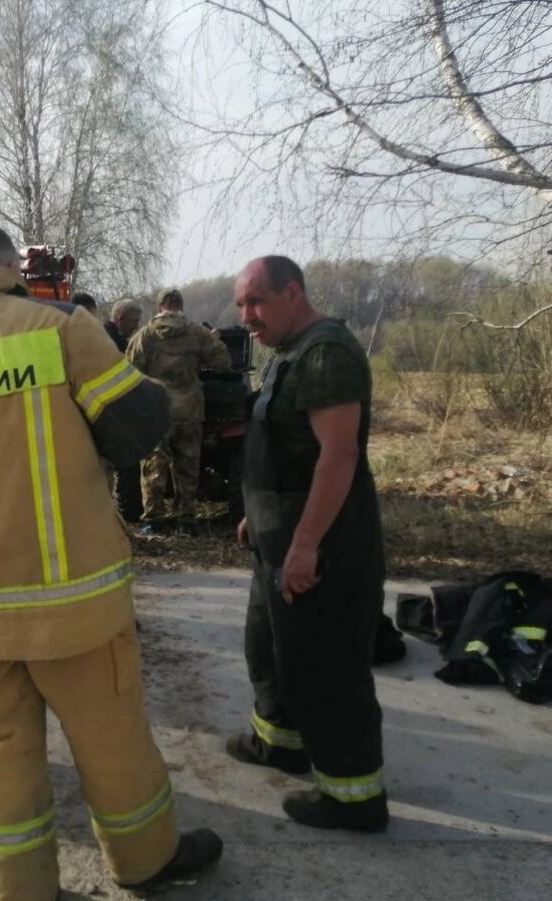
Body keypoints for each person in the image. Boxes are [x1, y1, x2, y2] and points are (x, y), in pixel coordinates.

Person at [0, 223, 222, 900]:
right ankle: (146, 861)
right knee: (112, 741)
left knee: (0, 761)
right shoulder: (58, 328)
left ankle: (21, 889)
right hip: (75, 601)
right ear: (11, 266)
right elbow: (134, 430)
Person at [227, 255, 389, 832]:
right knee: (269, 648)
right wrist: (258, 516)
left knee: (325, 667)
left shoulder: (325, 354)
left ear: (292, 293)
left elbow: (337, 457)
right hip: (277, 533)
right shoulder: (286, 353)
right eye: (241, 304)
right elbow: (285, 448)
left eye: (256, 302)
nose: (247, 316)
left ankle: (354, 797)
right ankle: (282, 744)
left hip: (322, 544)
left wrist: (304, 546)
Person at [127, 288, 229, 531]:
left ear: (160, 306)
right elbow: (223, 364)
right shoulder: (197, 333)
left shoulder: (144, 336)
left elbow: (128, 371)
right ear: (180, 306)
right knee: (187, 467)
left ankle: (154, 520)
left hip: (155, 411)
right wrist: (215, 339)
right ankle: (186, 518)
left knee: (153, 466)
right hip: (189, 410)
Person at [103, 299, 144, 522]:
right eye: (133, 321)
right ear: (120, 319)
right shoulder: (110, 340)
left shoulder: (115, 336)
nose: (136, 326)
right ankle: (126, 510)